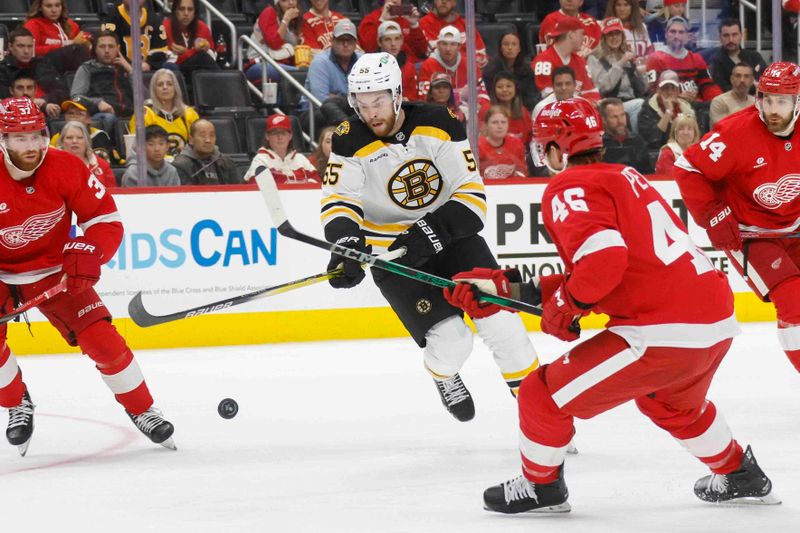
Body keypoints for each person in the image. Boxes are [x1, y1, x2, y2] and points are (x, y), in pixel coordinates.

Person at [443, 97, 777, 513]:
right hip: (713, 319)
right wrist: (506, 291)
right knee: (670, 403)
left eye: (544, 144)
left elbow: (603, 262)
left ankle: (541, 486)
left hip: (661, 330)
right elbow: (619, 271)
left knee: (540, 394)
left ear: (555, 150)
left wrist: (567, 304)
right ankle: (738, 473)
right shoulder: (626, 176)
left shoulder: (568, 185)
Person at [320, 52, 540, 421]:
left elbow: (471, 196)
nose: (370, 111)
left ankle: (541, 411)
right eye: (361, 102)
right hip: (393, 256)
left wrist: (430, 231)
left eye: (378, 101)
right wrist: (346, 244)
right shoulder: (348, 138)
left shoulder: (438, 122)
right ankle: (444, 373)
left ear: (396, 94)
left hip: (454, 241)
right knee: (454, 342)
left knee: (505, 326)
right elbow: (339, 200)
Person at [0, 97, 175, 455]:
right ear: (3, 139)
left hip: (53, 272)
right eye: (20, 138)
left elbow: (104, 221)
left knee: (102, 339)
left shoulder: (66, 166)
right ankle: (18, 403)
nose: (31, 146)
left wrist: (89, 254)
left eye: (37, 135)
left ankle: (142, 408)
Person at [674, 61, 800, 376]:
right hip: (749, 233)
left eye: (782, 101)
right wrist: (710, 213)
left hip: (794, 227)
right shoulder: (736, 131)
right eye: (767, 99)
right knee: (794, 302)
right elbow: (688, 167)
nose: (773, 109)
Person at [588, 17, 648, 133]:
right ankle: (635, 141)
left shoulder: (628, 54)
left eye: (617, 33)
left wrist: (642, 73)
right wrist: (620, 63)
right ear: (603, 37)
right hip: (610, 103)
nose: (614, 38)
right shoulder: (595, 57)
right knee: (639, 104)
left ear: (622, 36)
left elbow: (644, 88)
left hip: (632, 99)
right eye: (610, 34)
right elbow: (603, 86)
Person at [71, 31, 135, 136]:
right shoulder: (87, 68)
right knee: (108, 118)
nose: (106, 51)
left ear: (118, 48)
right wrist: (98, 103)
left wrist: (131, 71)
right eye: (102, 46)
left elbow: (144, 98)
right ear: (95, 49)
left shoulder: (126, 68)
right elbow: (75, 97)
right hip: (102, 115)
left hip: (129, 114)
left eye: (111, 46)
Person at [645, 16, 721, 103]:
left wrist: (719, 101)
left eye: (681, 32)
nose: (676, 36)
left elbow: (708, 85)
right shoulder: (655, 59)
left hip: (697, 105)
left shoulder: (696, 59)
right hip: (669, 105)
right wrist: (677, 97)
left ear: (687, 36)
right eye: (673, 32)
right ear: (666, 34)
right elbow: (652, 91)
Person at [303, 19, 362, 128]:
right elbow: (321, 100)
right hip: (313, 113)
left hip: (348, 110)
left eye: (349, 40)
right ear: (332, 41)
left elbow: (365, 95)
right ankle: (350, 130)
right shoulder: (320, 62)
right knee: (329, 111)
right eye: (341, 40)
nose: (345, 44)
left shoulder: (362, 61)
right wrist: (351, 99)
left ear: (355, 43)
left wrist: (336, 97)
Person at [128, 68, 199, 159]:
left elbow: (197, 143)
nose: (165, 87)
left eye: (169, 84)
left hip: (184, 165)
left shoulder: (189, 113)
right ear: (154, 89)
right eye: (160, 84)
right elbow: (136, 147)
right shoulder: (144, 113)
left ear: (175, 88)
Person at [532, 17, 600, 103]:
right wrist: (583, 101)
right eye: (582, 34)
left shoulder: (580, 61)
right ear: (571, 34)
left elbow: (591, 91)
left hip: (580, 110)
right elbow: (547, 96)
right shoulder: (543, 61)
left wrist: (593, 101)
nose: (584, 38)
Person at [417, 26, 488, 108]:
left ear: (459, 46)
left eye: (453, 44)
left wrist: (480, 106)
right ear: (438, 45)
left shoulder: (470, 64)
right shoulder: (428, 65)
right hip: (439, 111)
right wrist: (459, 95)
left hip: (467, 110)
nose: (448, 49)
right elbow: (424, 97)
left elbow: (483, 94)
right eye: (444, 44)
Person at [0, 27, 69, 110]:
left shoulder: (42, 64)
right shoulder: (3, 69)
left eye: (29, 46)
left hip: (49, 111)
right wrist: (41, 105)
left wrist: (45, 100)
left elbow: (62, 92)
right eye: (21, 46)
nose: (26, 51)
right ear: (10, 46)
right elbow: (5, 99)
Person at [243, 114, 319, 184]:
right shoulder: (260, 159)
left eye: (283, 133)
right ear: (267, 136)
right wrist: (302, 182)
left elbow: (317, 181)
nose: (280, 137)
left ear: (290, 136)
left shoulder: (301, 158)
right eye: (275, 133)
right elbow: (258, 187)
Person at [101, 0, 172, 72]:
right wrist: (128, 66)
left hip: (148, 73)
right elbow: (108, 50)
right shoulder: (111, 19)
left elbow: (161, 50)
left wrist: (149, 64)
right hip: (119, 71)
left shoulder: (154, 19)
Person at [23, 0, 92, 74]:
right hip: (44, 70)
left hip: (72, 71)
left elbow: (83, 42)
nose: (54, 10)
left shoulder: (70, 24)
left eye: (57, 5)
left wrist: (88, 43)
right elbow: (30, 51)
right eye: (49, 6)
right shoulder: (32, 24)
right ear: (40, 7)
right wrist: (69, 44)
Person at [245, 0, 301, 84]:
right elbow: (274, 43)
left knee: (306, 72)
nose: (291, 2)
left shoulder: (296, 19)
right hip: (260, 63)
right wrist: (286, 19)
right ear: (277, 2)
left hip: (283, 65)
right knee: (301, 74)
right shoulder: (269, 12)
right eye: (284, 0)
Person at [50, 98, 120, 164]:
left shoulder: (99, 136)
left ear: (88, 119)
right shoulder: (57, 138)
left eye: (79, 114)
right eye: (70, 113)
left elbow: (106, 164)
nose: (74, 117)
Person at [482, 31, 539, 112]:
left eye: (514, 44)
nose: (510, 48)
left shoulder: (528, 70)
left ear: (519, 48)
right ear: (500, 48)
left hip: (522, 111)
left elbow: (532, 97)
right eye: (506, 44)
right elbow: (489, 96)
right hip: (496, 111)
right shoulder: (490, 70)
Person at [164, 0, 219, 83]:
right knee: (201, 56)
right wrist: (194, 51)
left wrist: (206, 49)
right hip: (176, 69)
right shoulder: (165, 26)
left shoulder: (202, 26)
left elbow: (211, 59)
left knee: (203, 57)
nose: (186, 13)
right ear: (175, 11)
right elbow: (171, 60)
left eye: (190, 9)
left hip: (198, 70)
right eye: (182, 9)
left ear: (194, 12)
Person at [172, 119, 241, 185]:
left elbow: (239, 191)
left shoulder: (227, 162)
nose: (208, 140)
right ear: (191, 139)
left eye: (212, 135)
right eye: (203, 136)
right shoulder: (180, 165)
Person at [419, 0, 487, 67]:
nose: (444, 1)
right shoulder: (423, 24)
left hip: (467, 72)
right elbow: (430, 55)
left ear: (454, 2)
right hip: (438, 73)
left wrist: (479, 59)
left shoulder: (465, 25)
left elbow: (480, 52)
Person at [638, 69, 695, 149]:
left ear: (678, 91)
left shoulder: (685, 108)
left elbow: (695, 136)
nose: (669, 92)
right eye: (665, 88)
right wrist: (668, 113)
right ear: (658, 90)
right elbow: (652, 139)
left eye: (673, 88)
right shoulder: (648, 109)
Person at [358, 0, 427, 64]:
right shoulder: (370, 20)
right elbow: (370, 49)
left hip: (411, 66)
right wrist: (382, 21)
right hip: (382, 65)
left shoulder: (407, 17)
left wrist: (414, 25)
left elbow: (422, 52)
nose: (395, 1)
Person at [708, 18, 766, 94]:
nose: (731, 40)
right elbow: (724, 90)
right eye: (726, 35)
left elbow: (765, 81)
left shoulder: (754, 56)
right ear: (720, 38)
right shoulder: (715, 61)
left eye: (734, 35)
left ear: (741, 35)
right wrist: (752, 86)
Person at [56, 120, 117, 188]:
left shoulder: (103, 166)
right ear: (62, 142)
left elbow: (112, 193)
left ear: (87, 141)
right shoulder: (53, 166)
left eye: (80, 138)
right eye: (69, 138)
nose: (74, 141)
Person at [600, 97, 653, 173]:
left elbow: (648, 173)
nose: (620, 121)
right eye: (614, 117)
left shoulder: (637, 141)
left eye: (622, 115)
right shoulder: (600, 145)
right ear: (604, 120)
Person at [479, 72, 533, 145]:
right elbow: (481, 139)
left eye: (509, 86)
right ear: (494, 90)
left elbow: (530, 138)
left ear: (515, 88)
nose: (504, 90)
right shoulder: (486, 109)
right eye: (500, 87)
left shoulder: (523, 111)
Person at [478, 106, 528, 179]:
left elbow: (522, 173)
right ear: (486, 125)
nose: (500, 126)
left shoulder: (516, 144)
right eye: (494, 122)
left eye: (503, 122)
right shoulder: (477, 147)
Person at [377, 21, 418, 101]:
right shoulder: (370, 64)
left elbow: (412, 98)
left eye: (397, 39)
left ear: (402, 40)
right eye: (387, 39)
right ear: (379, 42)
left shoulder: (409, 67)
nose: (393, 44)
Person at [710, 63, 755, 127]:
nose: (742, 80)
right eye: (738, 76)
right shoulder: (719, 102)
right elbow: (721, 129)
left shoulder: (756, 103)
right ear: (732, 79)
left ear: (752, 80)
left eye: (746, 76)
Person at [654, 111, 699, 175]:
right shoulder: (668, 152)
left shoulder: (700, 151)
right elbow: (669, 178)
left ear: (695, 133)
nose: (685, 133)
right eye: (681, 129)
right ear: (674, 133)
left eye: (689, 129)